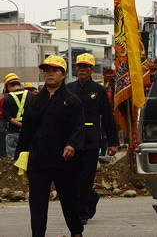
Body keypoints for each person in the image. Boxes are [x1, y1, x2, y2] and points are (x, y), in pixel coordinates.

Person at [15, 55, 85, 237]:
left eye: (55, 70)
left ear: (63, 74)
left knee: (69, 200)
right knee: (37, 202)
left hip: (64, 160)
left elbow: (79, 127)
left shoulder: (72, 101)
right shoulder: (34, 101)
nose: (50, 74)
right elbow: (26, 132)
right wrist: (19, 156)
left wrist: (72, 145)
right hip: (39, 160)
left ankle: (76, 232)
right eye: (46, 71)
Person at [67, 53, 118, 225]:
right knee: (73, 176)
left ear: (91, 69)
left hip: (91, 139)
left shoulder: (99, 90)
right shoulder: (69, 89)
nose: (81, 70)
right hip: (72, 140)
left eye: (85, 67)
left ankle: (81, 212)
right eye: (79, 67)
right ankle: (91, 197)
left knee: (86, 176)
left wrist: (113, 143)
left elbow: (108, 118)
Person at [2, 73, 34, 157]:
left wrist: (21, 125)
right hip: (31, 132)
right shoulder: (32, 96)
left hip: (13, 133)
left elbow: (8, 117)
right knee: (29, 159)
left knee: (13, 159)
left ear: (8, 86)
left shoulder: (7, 99)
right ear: (19, 83)